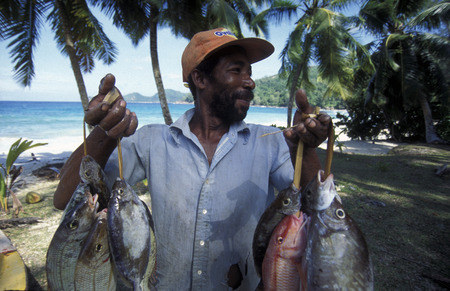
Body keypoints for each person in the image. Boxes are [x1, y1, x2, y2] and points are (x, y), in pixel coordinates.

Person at [54, 27, 331, 290]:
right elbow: (65, 200)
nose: (250, 81)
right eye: (236, 70)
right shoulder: (152, 141)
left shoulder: (270, 142)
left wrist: (305, 149)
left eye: (249, 72)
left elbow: (318, 210)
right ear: (200, 79)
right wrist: (103, 132)